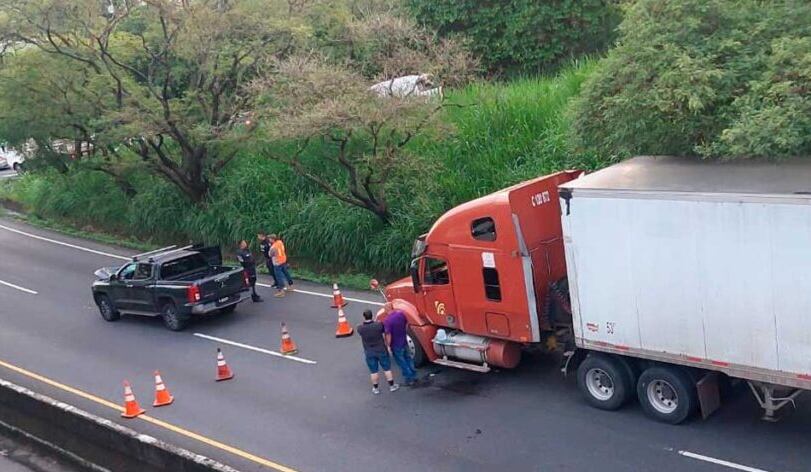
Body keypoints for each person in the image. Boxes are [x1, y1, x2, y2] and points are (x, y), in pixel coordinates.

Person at [357, 309, 399, 395]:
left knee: (374, 371)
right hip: (381, 350)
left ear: (364, 317)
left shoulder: (360, 328)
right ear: (372, 316)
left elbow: (359, 329)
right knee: (387, 369)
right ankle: (392, 386)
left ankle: (375, 388)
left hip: (369, 352)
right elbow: (385, 330)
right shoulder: (378, 325)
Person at [384, 306, 418, 386]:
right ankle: (414, 375)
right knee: (408, 359)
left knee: (402, 362)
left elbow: (388, 334)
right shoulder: (401, 314)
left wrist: (388, 345)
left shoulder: (387, 320)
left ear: (386, 310)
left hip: (396, 344)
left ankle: (409, 378)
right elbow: (406, 324)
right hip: (404, 341)